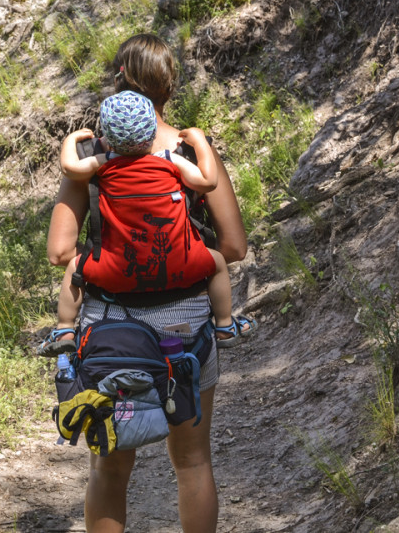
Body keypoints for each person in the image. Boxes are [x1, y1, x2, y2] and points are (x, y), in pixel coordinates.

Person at [46, 33, 250, 533]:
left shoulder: (96, 156)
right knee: (194, 462)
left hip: (110, 324)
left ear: (119, 81)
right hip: (187, 322)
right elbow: (235, 246)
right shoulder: (188, 153)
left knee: (110, 463)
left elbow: (59, 252)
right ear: (169, 87)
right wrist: (179, 263)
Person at [38, 89, 251, 357]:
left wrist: (71, 139)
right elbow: (208, 181)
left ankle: (65, 328)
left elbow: (69, 168)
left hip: (114, 273)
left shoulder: (102, 164)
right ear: (152, 133)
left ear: (108, 140)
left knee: (74, 268)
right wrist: (200, 142)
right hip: (179, 266)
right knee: (217, 263)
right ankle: (225, 325)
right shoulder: (170, 161)